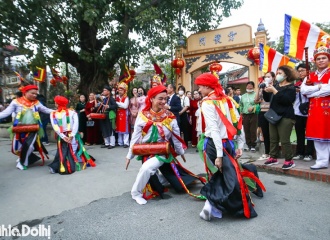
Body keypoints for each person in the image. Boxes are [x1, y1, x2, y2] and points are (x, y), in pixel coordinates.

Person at [194, 73, 264, 221]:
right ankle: (212, 206)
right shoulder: (228, 100)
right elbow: (238, 124)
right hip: (227, 143)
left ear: (207, 86)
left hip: (215, 144)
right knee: (225, 175)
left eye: (200, 86)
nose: (198, 89)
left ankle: (212, 206)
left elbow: (215, 130)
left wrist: (219, 155)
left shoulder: (208, 103)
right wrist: (240, 144)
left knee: (225, 176)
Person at [125, 85, 204, 205]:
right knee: (150, 172)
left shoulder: (170, 117)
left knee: (146, 168)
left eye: (165, 99)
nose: (163, 102)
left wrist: (181, 152)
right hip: (146, 150)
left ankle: (136, 193)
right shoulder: (142, 116)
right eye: (160, 98)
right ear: (151, 99)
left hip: (162, 151)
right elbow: (135, 137)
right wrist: (129, 155)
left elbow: (176, 137)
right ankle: (156, 183)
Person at [0, 85, 53, 170]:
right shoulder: (16, 102)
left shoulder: (37, 103)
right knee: (17, 147)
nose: (35, 95)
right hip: (19, 128)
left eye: (36, 94)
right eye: (32, 93)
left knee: (29, 146)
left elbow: (46, 110)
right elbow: (6, 113)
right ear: (25, 92)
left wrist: (59, 111)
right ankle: (22, 157)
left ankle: (22, 162)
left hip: (33, 128)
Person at [48, 96, 95, 174]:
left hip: (63, 135)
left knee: (63, 151)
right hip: (71, 135)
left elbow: (55, 126)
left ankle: (65, 165)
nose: (55, 103)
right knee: (71, 149)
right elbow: (76, 124)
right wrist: (72, 135)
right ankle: (67, 164)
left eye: (56, 102)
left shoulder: (53, 114)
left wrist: (63, 136)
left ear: (57, 104)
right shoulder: (72, 112)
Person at [301, 45, 330, 170]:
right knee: (318, 136)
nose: (321, 60)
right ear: (315, 61)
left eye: (324, 58)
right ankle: (322, 161)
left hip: (327, 109)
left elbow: (329, 90)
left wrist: (311, 91)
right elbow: (303, 90)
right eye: (318, 58)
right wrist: (319, 87)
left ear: (328, 60)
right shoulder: (310, 75)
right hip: (314, 110)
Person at [263, 65, 297, 170]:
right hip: (274, 115)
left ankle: (289, 160)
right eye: (277, 73)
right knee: (273, 138)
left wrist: (274, 91)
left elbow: (287, 101)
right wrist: (265, 90)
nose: (277, 75)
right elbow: (268, 99)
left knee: (284, 140)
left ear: (286, 75)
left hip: (286, 116)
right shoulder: (276, 86)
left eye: (280, 73)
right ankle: (273, 157)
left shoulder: (291, 87)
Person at [293, 64, 314, 162]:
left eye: (302, 70)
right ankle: (299, 152)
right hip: (298, 111)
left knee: (310, 134)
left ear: (308, 71)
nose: (300, 72)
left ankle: (309, 153)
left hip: (310, 111)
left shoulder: (312, 82)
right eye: (299, 71)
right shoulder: (296, 84)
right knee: (299, 133)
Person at [254, 72, 275, 161]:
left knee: (273, 134)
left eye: (269, 77)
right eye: (265, 77)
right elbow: (255, 100)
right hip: (262, 112)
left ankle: (274, 153)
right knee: (265, 133)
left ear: (273, 78)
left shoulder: (275, 87)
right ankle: (267, 152)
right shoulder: (262, 87)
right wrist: (259, 89)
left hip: (272, 112)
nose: (267, 78)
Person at [239, 81, 258, 152]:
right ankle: (248, 144)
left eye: (251, 86)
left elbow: (258, 104)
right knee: (246, 129)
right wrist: (241, 112)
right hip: (245, 115)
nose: (249, 87)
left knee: (253, 129)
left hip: (254, 114)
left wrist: (253, 107)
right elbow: (241, 105)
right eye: (248, 86)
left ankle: (253, 145)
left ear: (253, 87)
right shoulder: (243, 96)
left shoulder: (256, 94)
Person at [116, 82, 130, 147]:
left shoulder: (126, 97)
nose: (120, 91)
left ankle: (126, 142)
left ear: (124, 91)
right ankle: (120, 142)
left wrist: (117, 103)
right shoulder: (117, 97)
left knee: (125, 128)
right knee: (119, 127)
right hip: (118, 114)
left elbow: (125, 106)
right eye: (119, 90)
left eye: (121, 90)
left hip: (124, 114)